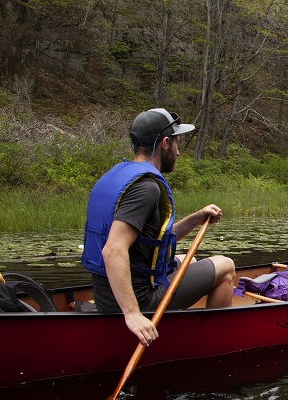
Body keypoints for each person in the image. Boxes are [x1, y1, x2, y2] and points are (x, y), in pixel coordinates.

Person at [82, 108, 236, 347]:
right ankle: (212, 343)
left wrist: (195, 218)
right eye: (176, 143)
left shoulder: (117, 175)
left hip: (107, 293)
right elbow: (113, 250)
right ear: (165, 143)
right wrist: (133, 314)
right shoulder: (146, 188)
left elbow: (154, 240)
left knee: (190, 261)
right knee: (226, 266)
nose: (178, 150)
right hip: (134, 299)